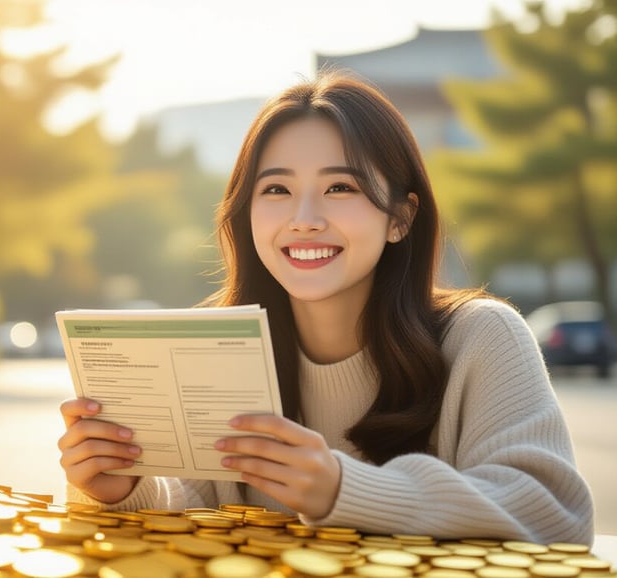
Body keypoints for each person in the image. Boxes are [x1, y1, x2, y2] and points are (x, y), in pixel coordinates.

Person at [57, 71, 594, 545]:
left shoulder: (481, 337)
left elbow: (555, 514)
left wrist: (343, 490)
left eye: (340, 187)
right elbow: (188, 510)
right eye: (276, 190)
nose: (305, 219)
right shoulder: (213, 350)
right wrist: (120, 490)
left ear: (400, 218)